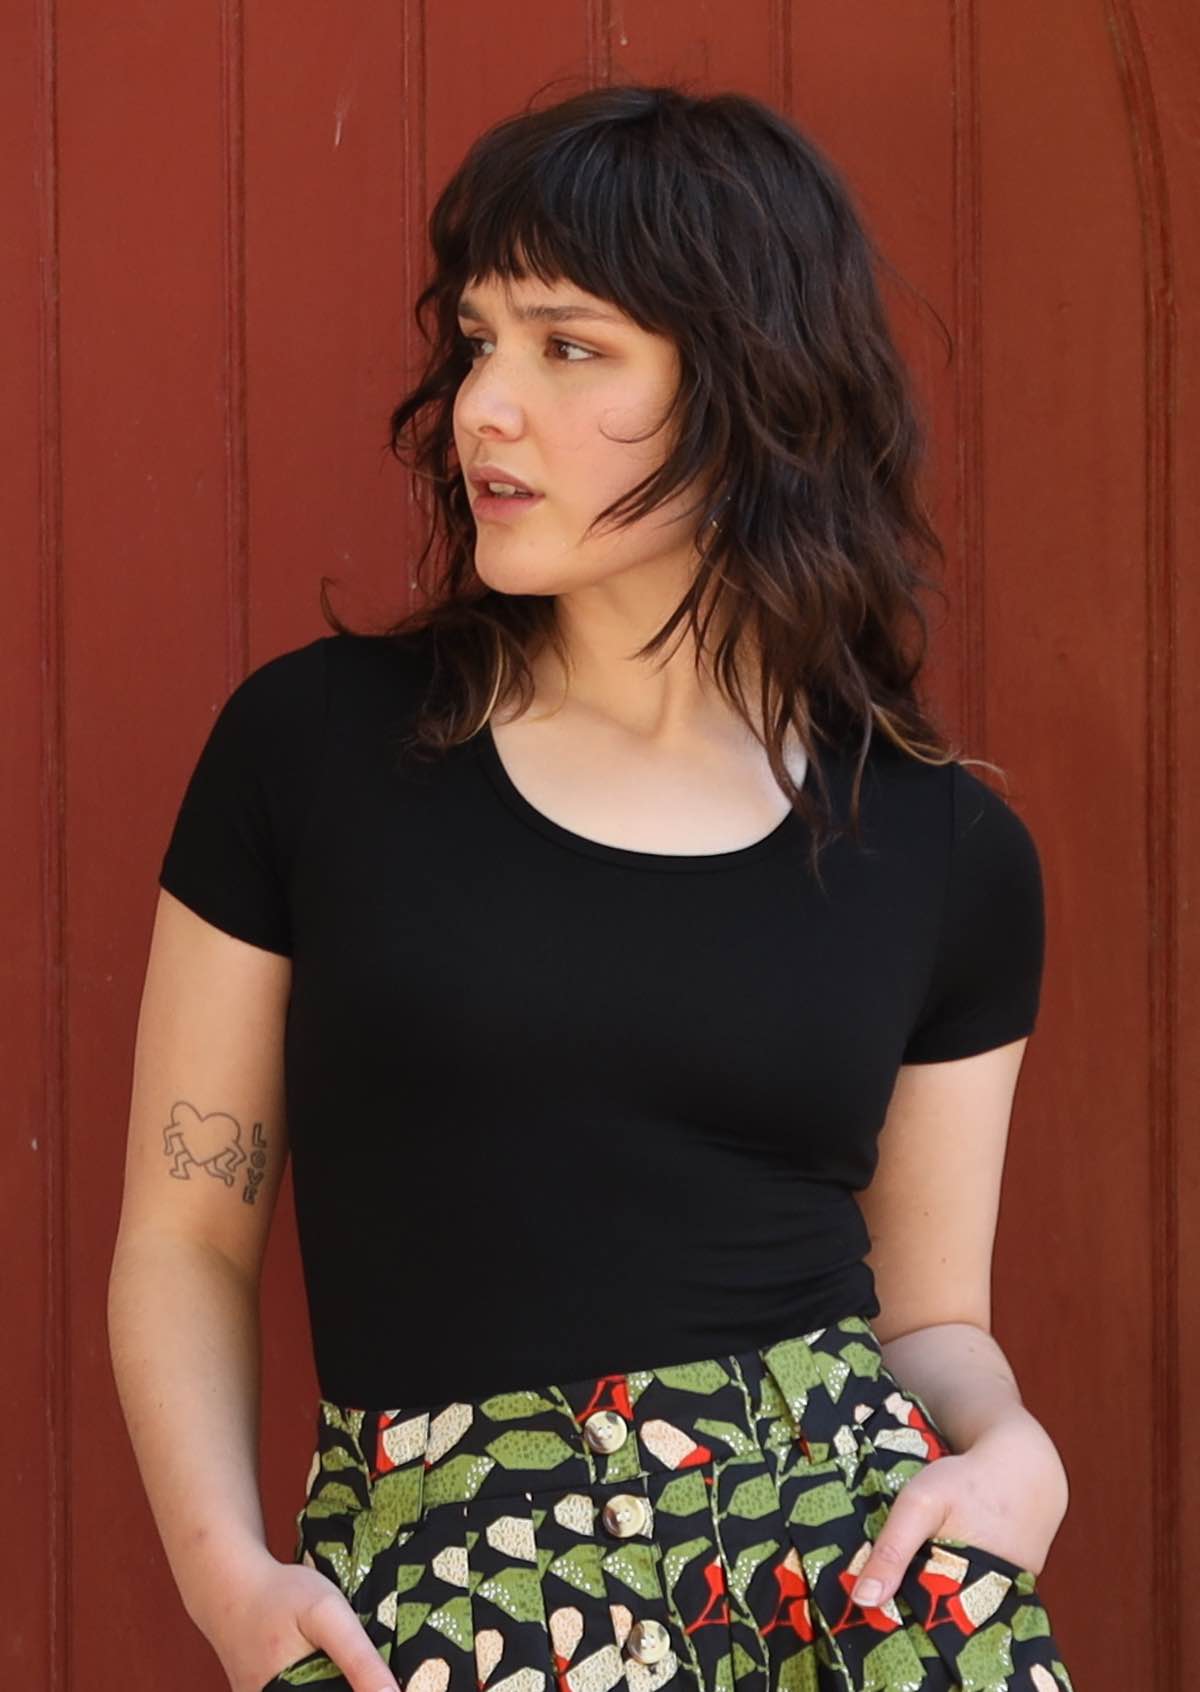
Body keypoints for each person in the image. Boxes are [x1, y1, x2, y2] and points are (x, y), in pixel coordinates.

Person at [108, 82, 1076, 1692]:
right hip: (447, 1586)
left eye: (569, 347)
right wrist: (227, 1581)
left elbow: (929, 1319)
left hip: (851, 1593)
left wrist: (1013, 1447)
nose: (485, 404)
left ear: (753, 389)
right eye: (480, 341)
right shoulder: (317, 752)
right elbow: (189, 1230)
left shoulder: (942, 847)